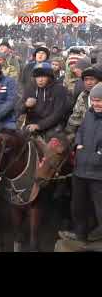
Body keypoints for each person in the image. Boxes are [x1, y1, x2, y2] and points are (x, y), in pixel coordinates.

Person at [59, 83, 102, 243]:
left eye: (100, 101)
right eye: (94, 100)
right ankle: (80, 234)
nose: (97, 104)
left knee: (100, 208)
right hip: (81, 169)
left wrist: (98, 155)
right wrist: (78, 144)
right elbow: (81, 131)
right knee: (78, 206)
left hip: (99, 173)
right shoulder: (89, 114)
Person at [16, 62, 71, 139]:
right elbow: (18, 110)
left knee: (52, 144)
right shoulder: (30, 88)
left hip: (52, 126)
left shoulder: (59, 89)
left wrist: (39, 126)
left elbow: (58, 114)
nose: (40, 80)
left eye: (43, 76)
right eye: (38, 76)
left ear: (49, 77)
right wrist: (26, 105)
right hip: (31, 125)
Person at [65, 66, 102, 143]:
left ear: (99, 81)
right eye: (86, 80)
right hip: (84, 132)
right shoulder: (82, 96)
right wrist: (68, 134)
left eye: (92, 79)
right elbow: (75, 117)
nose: (88, 83)